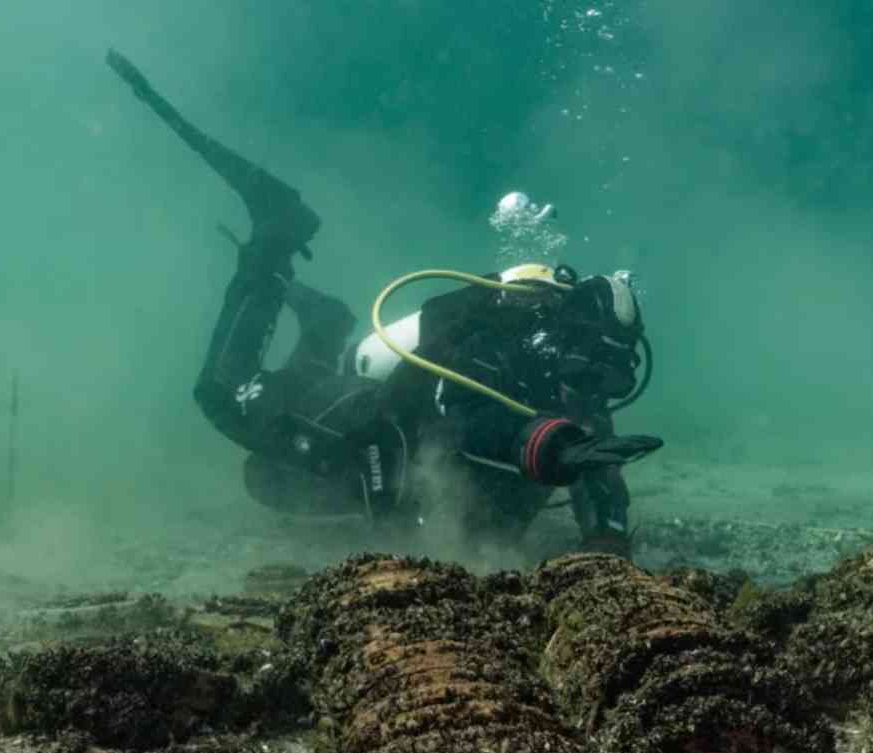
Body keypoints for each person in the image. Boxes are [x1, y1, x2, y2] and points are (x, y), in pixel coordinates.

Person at [109, 50, 661, 557]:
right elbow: (456, 410)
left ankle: (324, 326)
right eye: (592, 368)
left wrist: (606, 535)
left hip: (392, 449)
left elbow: (598, 462)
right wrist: (545, 445)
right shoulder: (508, 341)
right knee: (223, 398)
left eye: (609, 378)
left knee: (269, 483)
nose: (594, 391)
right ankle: (276, 234)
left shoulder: (574, 383)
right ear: (569, 337)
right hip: (368, 418)